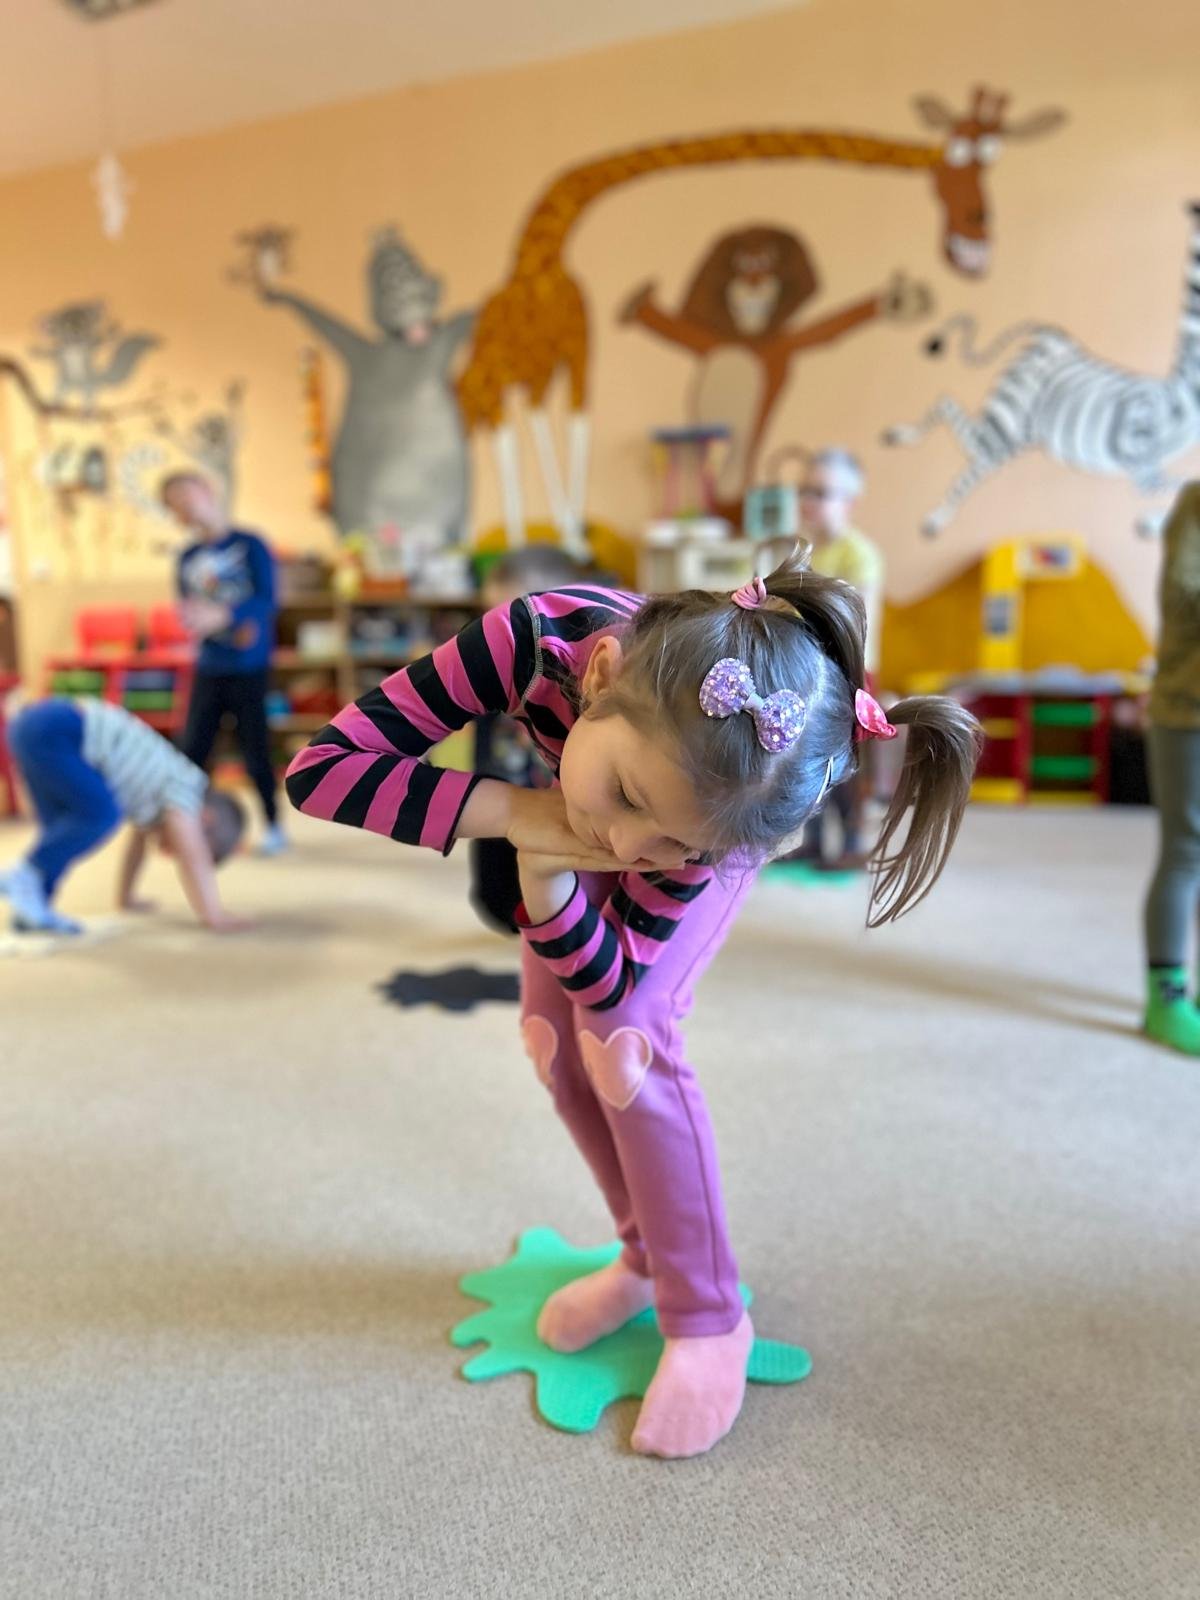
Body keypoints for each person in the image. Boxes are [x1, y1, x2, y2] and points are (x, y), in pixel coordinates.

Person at [285, 548, 979, 1458]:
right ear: (601, 676)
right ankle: (645, 1259)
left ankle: (709, 1316)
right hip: (582, 795)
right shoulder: (531, 639)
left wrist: (556, 879)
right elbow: (323, 769)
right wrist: (519, 816)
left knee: (625, 1044)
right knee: (553, 1041)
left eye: (663, 840)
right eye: (623, 795)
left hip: (699, 827)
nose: (619, 845)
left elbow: (609, 983)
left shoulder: (705, 828)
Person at [0, 697, 248, 935]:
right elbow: (193, 859)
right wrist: (213, 914)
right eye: (179, 850)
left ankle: (32, 906)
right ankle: (24, 873)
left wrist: (126, 897)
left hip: (36, 727)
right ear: (205, 818)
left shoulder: (156, 803)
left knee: (60, 833)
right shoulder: (186, 790)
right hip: (61, 729)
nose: (172, 853)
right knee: (101, 816)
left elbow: (136, 847)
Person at [162, 471, 286, 855]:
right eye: (176, 504)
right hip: (209, 667)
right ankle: (191, 826)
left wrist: (225, 615)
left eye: (187, 495)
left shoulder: (250, 545)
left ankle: (273, 826)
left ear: (207, 491)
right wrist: (196, 620)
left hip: (249, 667)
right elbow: (187, 608)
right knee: (194, 751)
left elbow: (267, 601)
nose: (186, 506)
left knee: (255, 750)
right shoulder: (187, 558)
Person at [470, 544, 591, 935]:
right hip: (500, 798)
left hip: (554, 807)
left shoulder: (579, 674)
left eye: (518, 623)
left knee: (555, 883)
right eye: (491, 621)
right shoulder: (488, 669)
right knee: (495, 893)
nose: (503, 638)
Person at [791, 448, 885, 869]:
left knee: (846, 761)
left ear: (850, 502)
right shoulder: (805, 550)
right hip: (812, 668)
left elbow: (852, 620)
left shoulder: (858, 554)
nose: (809, 500)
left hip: (850, 670)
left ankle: (852, 839)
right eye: (804, 490)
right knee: (806, 755)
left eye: (821, 492)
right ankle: (812, 838)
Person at [1143, 481, 1200, 1055]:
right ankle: (1165, 996)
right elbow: (1183, 595)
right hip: (1188, 713)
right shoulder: (1195, 505)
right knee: (1187, 850)